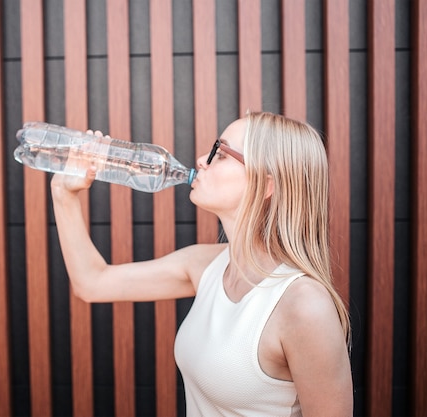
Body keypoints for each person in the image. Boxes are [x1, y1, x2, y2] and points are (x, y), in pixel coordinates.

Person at [50, 111, 353, 416]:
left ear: (266, 184)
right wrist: (63, 194)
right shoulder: (206, 264)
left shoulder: (304, 307)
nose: (200, 160)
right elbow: (92, 283)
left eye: (220, 154)